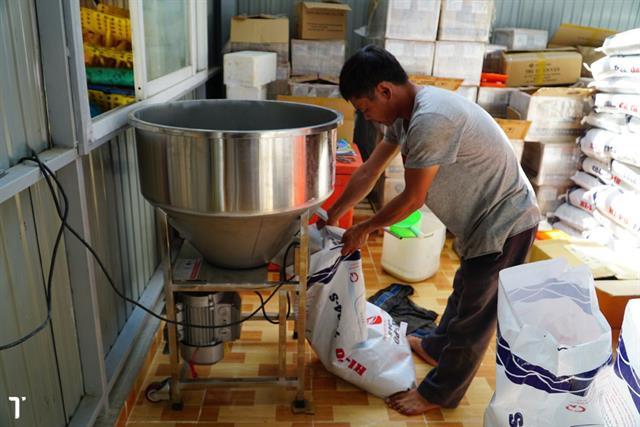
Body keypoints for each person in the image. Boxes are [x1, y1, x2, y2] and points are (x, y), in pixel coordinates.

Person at [320, 45, 540, 415]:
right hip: (479, 219)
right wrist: (334, 213)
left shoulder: (431, 119)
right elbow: (369, 170)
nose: (366, 116)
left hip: (507, 220)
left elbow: (412, 198)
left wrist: (365, 228)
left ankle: (440, 393)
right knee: (465, 289)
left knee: (476, 315)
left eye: (364, 107)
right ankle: (436, 347)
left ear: (385, 90)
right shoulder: (404, 116)